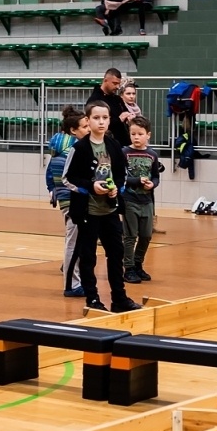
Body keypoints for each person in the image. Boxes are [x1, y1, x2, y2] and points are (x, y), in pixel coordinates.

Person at [64, 100, 140, 313]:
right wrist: (90, 186)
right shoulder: (78, 148)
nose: (101, 122)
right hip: (88, 212)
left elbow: (123, 175)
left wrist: (116, 188)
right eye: (96, 118)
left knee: (116, 254)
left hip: (110, 211)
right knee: (88, 257)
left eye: (105, 118)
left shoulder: (114, 146)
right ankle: (93, 298)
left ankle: (119, 298)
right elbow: (67, 178)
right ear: (88, 121)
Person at [47, 106, 86, 298]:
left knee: (77, 241)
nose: (89, 129)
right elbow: (67, 177)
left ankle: (76, 279)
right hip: (72, 200)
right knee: (73, 243)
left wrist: (52, 189)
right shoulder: (72, 149)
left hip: (67, 198)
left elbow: (50, 172)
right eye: (85, 126)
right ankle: (71, 284)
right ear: (73, 129)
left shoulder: (59, 146)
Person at [121, 115, 161, 284]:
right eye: (133, 134)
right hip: (130, 200)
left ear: (148, 135)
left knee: (146, 235)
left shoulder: (152, 155)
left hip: (147, 201)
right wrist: (136, 181)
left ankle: (138, 264)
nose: (136, 137)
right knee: (130, 236)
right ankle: (128, 268)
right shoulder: (124, 152)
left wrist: (152, 184)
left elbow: (156, 177)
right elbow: (120, 177)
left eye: (140, 134)